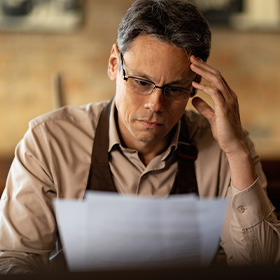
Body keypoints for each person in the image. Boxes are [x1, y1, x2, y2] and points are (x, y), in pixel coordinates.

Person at [0, 0, 279, 274]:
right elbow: (13, 259)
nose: (156, 104)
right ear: (113, 65)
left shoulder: (226, 151)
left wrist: (236, 152)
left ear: (194, 89)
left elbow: (262, 265)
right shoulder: (49, 141)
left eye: (175, 88)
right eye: (141, 82)